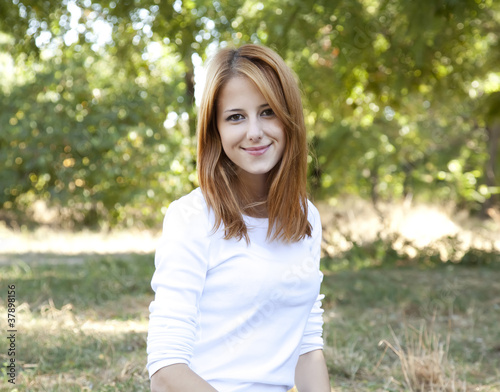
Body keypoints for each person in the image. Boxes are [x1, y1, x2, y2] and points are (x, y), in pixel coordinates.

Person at [147, 43, 330, 392]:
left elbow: (307, 344)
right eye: (236, 117)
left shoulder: (306, 217)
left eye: (268, 112)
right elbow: (166, 368)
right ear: (214, 130)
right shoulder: (192, 218)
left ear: (289, 117)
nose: (254, 132)